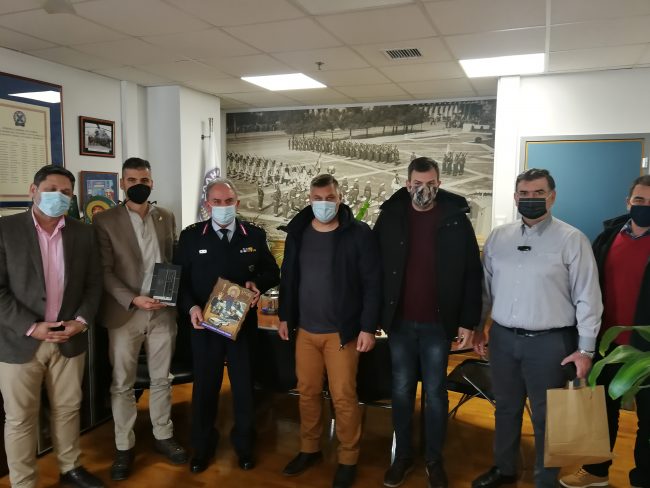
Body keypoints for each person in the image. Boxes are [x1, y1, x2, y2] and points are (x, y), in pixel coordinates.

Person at [472, 168, 603, 488]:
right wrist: (478, 327)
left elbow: (588, 297)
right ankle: (505, 469)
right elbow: (485, 289)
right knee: (505, 408)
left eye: (539, 193)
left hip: (550, 344)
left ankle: (545, 480)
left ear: (552, 197)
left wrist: (586, 350)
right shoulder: (499, 238)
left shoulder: (572, 240)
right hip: (503, 339)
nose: (530, 199)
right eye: (524, 194)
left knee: (549, 417)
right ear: (515, 197)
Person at [375, 157, 483, 488]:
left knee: (436, 393)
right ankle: (403, 456)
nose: (424, 189)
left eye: (431, 183)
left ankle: (434, 460)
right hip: (400, 324)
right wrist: (375, 316)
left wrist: (468, 321)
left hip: (438, 325)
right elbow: (374, 268)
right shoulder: (391, 216)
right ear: (407, 184)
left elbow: (472, 273)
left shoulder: (455, 219)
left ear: (439, 183)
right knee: (402, 391)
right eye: (418, 184)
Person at [0, 165, 104, 488]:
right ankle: (23, 482)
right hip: (20, 341)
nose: (58, 197)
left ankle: (70, 467)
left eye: (65, 192)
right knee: (20, 418)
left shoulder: (83, 233)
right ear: (33, 191)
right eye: (51, 190)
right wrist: (32, 327)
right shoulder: (6, 230)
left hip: (68, 338)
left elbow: (94, 284)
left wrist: (81, 321)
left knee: (68, 408)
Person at [277, 174, 381, 488]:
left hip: (342, 333)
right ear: (309, 199)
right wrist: (285, 317)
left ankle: (348, 458)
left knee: (344, 397)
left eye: (330, 198)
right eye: (318, 198)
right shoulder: (298, 233)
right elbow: (288, 278)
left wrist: (368, 328)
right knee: (307, 393)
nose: (324, 204)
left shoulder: (358, 234)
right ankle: (310, 449)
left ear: (340, 198)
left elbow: (372, 283)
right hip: (306, 331)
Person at [175, 179, 279, 474]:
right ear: (207, 205)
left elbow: (272, 271)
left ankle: (244, 445)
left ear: (237, 203)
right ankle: (202, 447)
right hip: (204, 326)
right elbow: (180, 280)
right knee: (205, 388)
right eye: (217, 202)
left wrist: (257, 284)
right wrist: (191, 308)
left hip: (242, 327)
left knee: (244, 387)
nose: (223, 207)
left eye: (229, 201)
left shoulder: (254, 235)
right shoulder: (191, 237)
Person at [93, 157, 187, 480]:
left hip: (162, 312)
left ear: (151, 183)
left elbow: (171, 259)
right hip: (125, 313)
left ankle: (163, 433)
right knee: (122, 382)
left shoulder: (165, 216)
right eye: (132, 180)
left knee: (162, 378)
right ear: (122, 184)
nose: (138, 185)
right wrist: (133, 298)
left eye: (144, 180)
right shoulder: (104, 220)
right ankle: (124, 444)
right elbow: (104, 271)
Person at [560, 175, 650, 488]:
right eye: (639, 200)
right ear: (628, 202)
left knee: (648, 419)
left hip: (645, 350)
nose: (644, 206)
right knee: (598, 410)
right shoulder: (607, 237)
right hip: (606, 343)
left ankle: (643, 478)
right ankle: (596, 471)